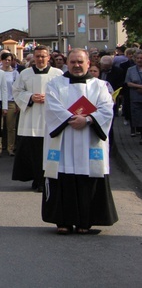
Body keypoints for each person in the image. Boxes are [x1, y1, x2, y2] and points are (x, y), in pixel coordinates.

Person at [42, 49, 117, 234]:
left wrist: (88, 120)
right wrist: (70, 118)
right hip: (64, 140)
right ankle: (63, 221)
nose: (76, 65)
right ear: (67, 63)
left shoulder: (100, 86)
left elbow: (107, 109)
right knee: (63, 176)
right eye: (73, 62)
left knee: (88, 176)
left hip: (89, 139)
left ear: (88, 63)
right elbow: (51, 107)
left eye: (80, 62)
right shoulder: (55, 84)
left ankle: (86, 222)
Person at [12, 45, 63, 192]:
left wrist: (50, 98)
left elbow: (64, 93)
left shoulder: (57, 74)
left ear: (48, 57)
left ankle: (47, 179)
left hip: (50, 117)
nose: (40, 59)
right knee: (33, 152)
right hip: (31, 118)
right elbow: (16, 91)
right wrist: (31, 97)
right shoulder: (25, 74)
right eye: (38, 56)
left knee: (48, 151)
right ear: (34, 57)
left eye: (43, 56)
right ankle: (36, 179)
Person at [125, 50, 142, 139]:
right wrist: (139, 86)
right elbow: (128, 82)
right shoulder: (130, 70)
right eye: (138, 58)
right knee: (137, 117)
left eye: (141, 58)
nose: (139, 60)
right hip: (135, 97)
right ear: (135, 59)